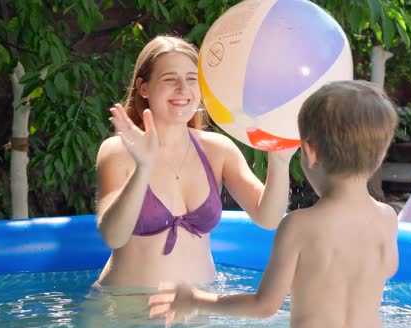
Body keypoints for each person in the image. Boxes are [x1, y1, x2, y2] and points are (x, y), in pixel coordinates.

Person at [149, 80, 400, 328]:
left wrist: (195, 300)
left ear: (310, 152)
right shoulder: (387, 218)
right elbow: (388, 268)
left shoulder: (299, 225)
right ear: (380, 155)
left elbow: (264, 305)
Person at [94, 35, 296, 289]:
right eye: (170, 79)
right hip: (126, 313)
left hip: (199, 313)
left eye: (192, 79)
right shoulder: (117, 151)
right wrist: (143, 169)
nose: (183, 89)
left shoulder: (217, 150)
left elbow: (268, 218)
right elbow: (113, 236)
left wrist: (279, 160)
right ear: (143, 88)